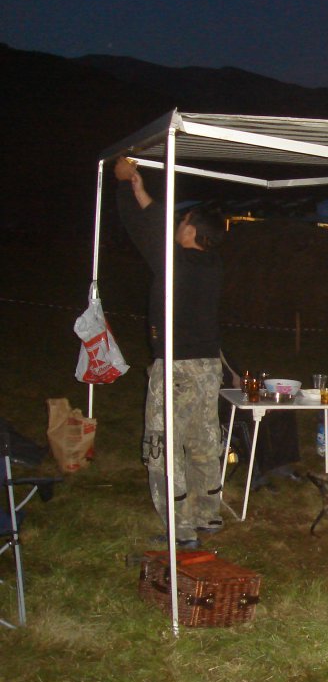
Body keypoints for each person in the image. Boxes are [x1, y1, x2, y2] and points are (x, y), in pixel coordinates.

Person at [114, 157, 225, 548]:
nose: (178, 224)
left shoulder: (174, 261)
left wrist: (124, 186)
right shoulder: (213, 264)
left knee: (163, 445)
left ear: (191, 230)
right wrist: (140, 189)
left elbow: (146, 228)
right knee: (202, 440)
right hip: (208, 366)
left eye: (183, 220)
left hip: (176, 368)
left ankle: (179, 526)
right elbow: (157, 225)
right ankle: (207, 514)